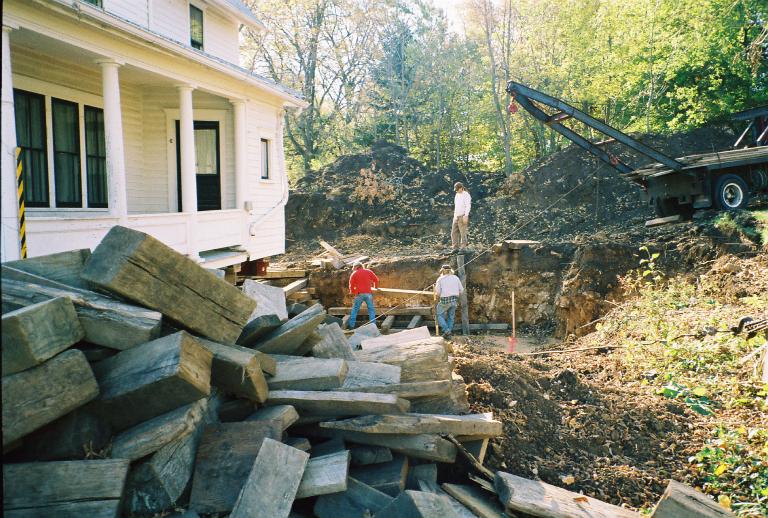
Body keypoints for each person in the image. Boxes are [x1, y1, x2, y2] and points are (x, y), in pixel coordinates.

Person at [434, 264, 464, 339]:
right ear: (451, 271)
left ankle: (446, 330)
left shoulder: (440, 279)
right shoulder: (456, 278)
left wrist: (442, 294)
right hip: (454, 300)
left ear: (442, 271)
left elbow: (437, 292)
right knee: (451, 317)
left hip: (444, 300)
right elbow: (462, 290)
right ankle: (448, 334)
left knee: (439, 315)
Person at [347, 261, 379, 329]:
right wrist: (375, 287)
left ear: (356, 267)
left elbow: (351, 285)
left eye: (354, 267)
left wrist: (353, 292)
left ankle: (351, 326)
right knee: (371, 310)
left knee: (355, 310)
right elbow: (376, 280)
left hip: (359, 294)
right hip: (368, 294)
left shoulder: (354, 274)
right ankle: (373, 326)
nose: (354, 269)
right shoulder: (368, 271)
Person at [451, 181, 471, 253]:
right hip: (456, 216)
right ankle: (455, 248)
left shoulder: (466, 195)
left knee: (462, 232)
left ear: (461, 188)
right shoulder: (457, 195)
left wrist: (466, 215)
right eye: (455, 190)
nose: (456, 191)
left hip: (463, 216)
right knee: (453, 232)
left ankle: (463, 247)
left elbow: (468, 205)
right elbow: (456, 206)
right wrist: (455, 216)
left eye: (457, 189)